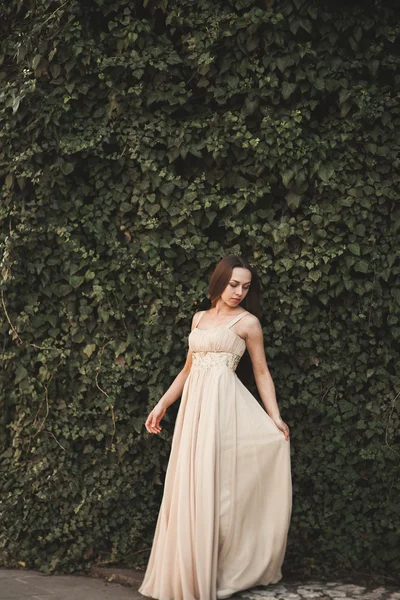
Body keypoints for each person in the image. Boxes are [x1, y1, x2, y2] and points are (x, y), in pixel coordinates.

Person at [139, 255, 292, 600]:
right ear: (219, 281)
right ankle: (186, 569)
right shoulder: (198, 318)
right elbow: (186, 371)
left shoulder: (248, 323)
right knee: (190, 483)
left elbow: (261, 373)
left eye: (245, 286)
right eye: (233, 284)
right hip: (194, 412)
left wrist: (275, 417)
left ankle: (222, 567)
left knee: (215, 486)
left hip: (223, 411)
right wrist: (162, 405)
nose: (239, 291)